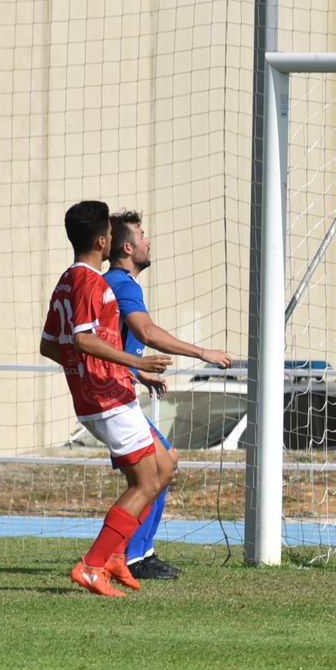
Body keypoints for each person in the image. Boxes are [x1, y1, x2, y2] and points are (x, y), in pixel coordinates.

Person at [39, 201, 174, 597]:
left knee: (164, 466)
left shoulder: (66, 280)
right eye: (112, 235)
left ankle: (115, 556)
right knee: (147, 481)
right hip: (106, 400)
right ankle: (93, 565)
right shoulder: (90, 283)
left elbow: (51, 345)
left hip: (110, 391)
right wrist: (133, 360)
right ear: (102, 241)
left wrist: (119, 371)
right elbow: (81, 339)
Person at [103, 210, 234, 580]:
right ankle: (126, 556)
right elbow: (146, 332)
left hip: (119, 391)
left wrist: (138, 372)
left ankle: (130, 553)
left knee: (160, 467)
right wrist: (202, 353)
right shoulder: (124, 284)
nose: (148, 241)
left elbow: (105, 343)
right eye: (143, 235)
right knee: (159, 470)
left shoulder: (111, 282)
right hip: (114, 400)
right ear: (127, 247)